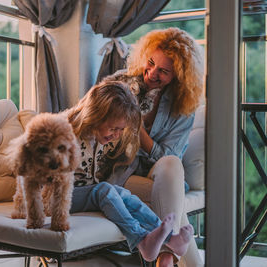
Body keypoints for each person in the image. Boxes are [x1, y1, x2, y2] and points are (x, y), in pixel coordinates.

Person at [104, 28, 204, 267]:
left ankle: (165, 256)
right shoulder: (121, 82)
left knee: (171, 164)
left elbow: (169, 156)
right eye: (150, 63)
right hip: (121, 173)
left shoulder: (183, 106)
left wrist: (138, 130)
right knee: (174, 200)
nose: (151, 73)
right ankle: (167, 258)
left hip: (158, 173)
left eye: (163, 71)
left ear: (179, 75)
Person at [65, 80, 194, 262]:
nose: (116, 135)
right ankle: (141, 240)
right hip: (55, 198)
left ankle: (168, 239)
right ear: (96, 115)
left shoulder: (99, 136)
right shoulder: (66, 135)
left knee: (123, 194)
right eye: (114, 129)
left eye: (121, 130)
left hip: (82, 193)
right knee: (104, 190)